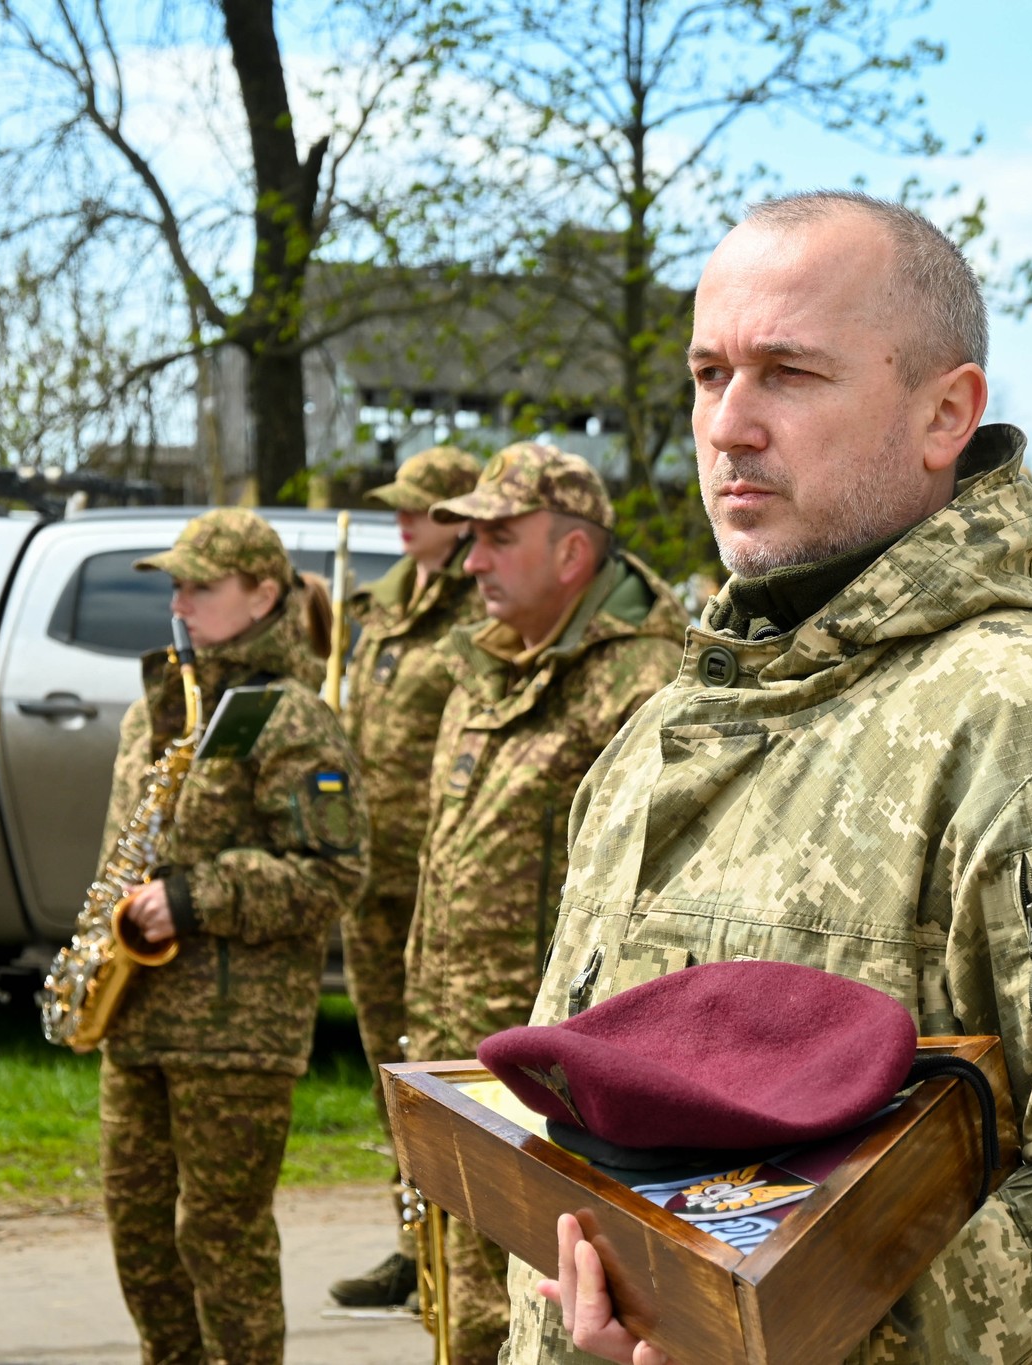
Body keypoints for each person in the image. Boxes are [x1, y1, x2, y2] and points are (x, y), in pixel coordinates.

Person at [508, 191, 1032, 1365]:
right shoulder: (670, 719)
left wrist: (789, 1334)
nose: (730, 425)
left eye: (788, 374)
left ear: (944, 413)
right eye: (709, 375)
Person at [404, 441, 686, 1365]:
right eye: (470, 539)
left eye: (498, 537)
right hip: (459, 1048)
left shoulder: (646, 685)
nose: (473, 560)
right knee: (460, 1306)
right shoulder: (487, 664)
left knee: (538, 1314)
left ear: (573, 554)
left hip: (553, 1084)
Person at [96, 508, 368, 1365]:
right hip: (137, 1016)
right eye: (173, 584)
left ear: (261, 594)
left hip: (235, 1034)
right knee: (139, 1238)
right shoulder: (161, 705)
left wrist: (197, 896)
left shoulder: (291, 717)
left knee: (219, 1239)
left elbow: (335, 870)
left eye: (198, 585)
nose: (178, 602)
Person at [329, 444, 485, 1309]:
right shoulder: (386, 606)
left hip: (440, 878)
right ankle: (411, 1238)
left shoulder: (476, 610)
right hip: (372, 874)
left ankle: (455, 1258)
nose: (403, 521)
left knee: (445, 1070)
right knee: (391, 1064)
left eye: (421, 508)